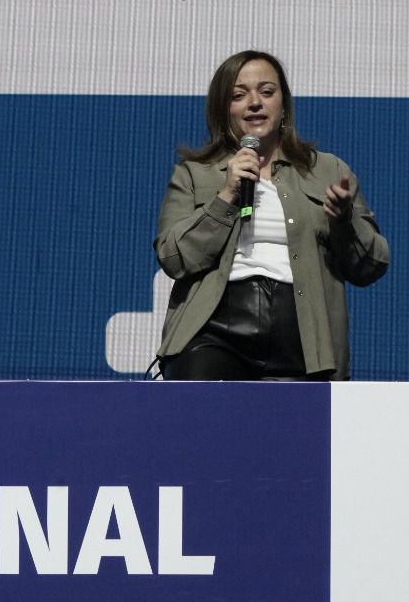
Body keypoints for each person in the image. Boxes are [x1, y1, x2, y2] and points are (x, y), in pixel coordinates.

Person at [155, 51, 389, 380]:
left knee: (293, 430)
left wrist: (343, 224)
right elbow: (173, 257)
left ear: (283, 105)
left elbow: (372, 265)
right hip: (216, 328)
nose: (255, 103)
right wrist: (226, 195)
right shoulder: (194, 173)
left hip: (303, 336)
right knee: (200, 415)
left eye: (267, 92)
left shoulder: (327, 170)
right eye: (239, 95)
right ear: (224, 110)